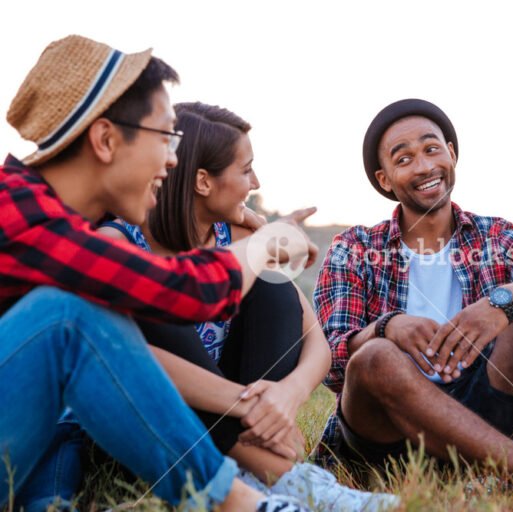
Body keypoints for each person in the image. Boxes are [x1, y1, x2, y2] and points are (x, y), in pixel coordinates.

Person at [0, 34, 314, 512]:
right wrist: (271, 240)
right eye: (165, 136)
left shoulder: (47, 220)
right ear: (105, 140)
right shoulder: (22, 218)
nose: (173, 159)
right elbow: (191, 292)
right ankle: (248, 501)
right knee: (69, 317)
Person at [96, 101, 398, 511]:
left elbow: (315, 340)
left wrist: (286, 396)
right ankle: (289, 479)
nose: (255, 182)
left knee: (272, 288)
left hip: (234, 422)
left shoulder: (239, 234)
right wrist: (249, 402)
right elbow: (129, 364)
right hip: (147, 435)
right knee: (164, 296)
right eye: (245, 169)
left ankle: (255, 475)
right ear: (203, 181)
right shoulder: (118, 243)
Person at [312, 98, 513, 486]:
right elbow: (331, 362)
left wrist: (501, 303)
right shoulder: (353, 249)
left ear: (451, 154)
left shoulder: (493, 236)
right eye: (403, 159)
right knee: (375, 357)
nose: (423, 166)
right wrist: (386, 328)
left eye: (432, 149)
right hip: (385, 436)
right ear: (385, 179)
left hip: (478, 418)